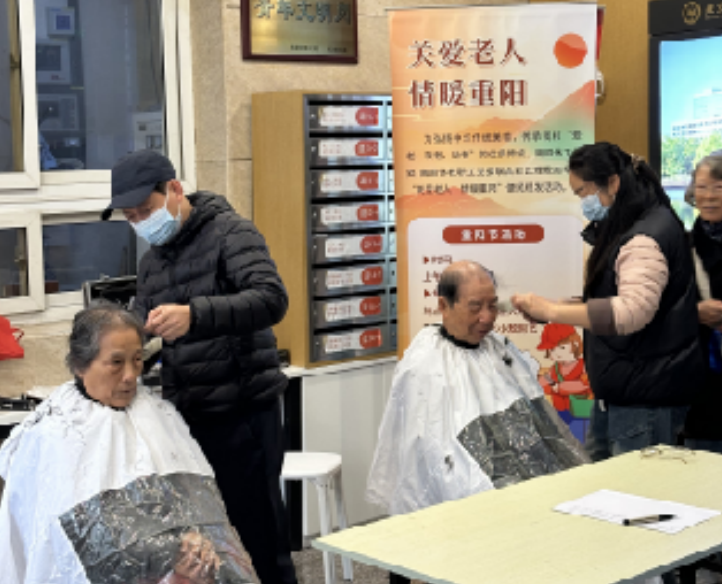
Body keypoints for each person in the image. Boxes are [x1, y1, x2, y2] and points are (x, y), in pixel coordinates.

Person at [101, 149, 296, 584]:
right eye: (131, 217)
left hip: (243, 412)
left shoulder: (231, 232)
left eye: (145, 210)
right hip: (189, 418)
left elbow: (271, 299)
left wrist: (195, 315)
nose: (141, 222)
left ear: (174, 189)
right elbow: (142, 325)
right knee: (206, 544)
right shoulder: (152, 261)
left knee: (258, 535)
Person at [0, 303, 258, 584]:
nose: (130, 375)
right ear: (80, 365)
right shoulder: (52, 436)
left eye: (137, 360)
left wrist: (197, 548)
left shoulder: (159, 416)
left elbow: (198, 508)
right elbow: (67, 547)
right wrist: (166, 557)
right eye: (116, 362)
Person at [512, 142, 703, 462]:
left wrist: (552, 311)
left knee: (637, 492)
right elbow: (615, 296)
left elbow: (631, 311)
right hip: (623, 392)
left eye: (582, 192)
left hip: (645, 399)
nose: (582, 203)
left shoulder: (645, 237)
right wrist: (559, 309)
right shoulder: (632, 225)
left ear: (612, 182)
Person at [366, 261, 588, 516]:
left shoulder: (499, 348)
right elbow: (434, 454)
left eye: (492, 305)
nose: (487, 317)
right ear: (444, 306)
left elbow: (540, 424)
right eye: (475, 307)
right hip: (473, 489)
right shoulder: (425, 364)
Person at [682, 151, 722, 455]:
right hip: (702, 379)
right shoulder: (683, 244)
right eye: (701, 187)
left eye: (718, 188)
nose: (708, 196)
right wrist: (693, 312)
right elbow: (663, 306)